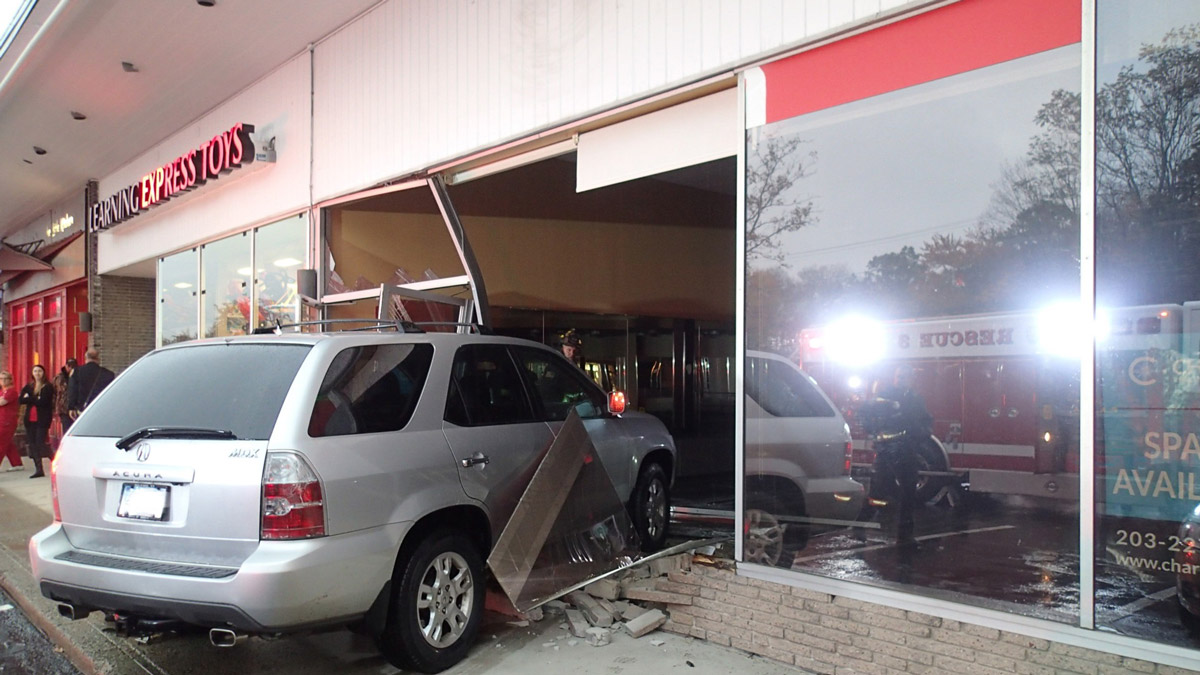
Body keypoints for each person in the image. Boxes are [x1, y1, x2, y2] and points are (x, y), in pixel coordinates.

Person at [860, 365, 932, 547]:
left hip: (907, 448)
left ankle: (905, 536)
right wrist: (874, 432)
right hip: (887, 449)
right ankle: (858, 525)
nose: (902, 379)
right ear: (894, 378)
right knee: (879, 490)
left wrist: (923, 432)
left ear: (911, 378)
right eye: (899, 376)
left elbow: (925, 420)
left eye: (906, 376)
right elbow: (865, 413)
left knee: (908, 492)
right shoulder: (885, 395)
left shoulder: (915, 399)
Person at [19, 364, 54, 478]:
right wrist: (34, 398)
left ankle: (55, 460)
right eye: (35, 371)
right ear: (32, 373)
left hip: (42, 419)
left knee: (40, 443)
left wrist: (30, 398)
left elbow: (43, 402)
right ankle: (39, 469)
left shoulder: (47, 387)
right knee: (33, 444)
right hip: (30, 419)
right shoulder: (29, 386)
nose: (37, 373)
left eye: (40, 371)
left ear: (43, 373)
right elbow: (21, 400)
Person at [67, 349, 115, 420]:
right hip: (101, 410)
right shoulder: (108, 374)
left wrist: (71, 407)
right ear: (98, 358)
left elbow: (72, 390)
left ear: (86, 358)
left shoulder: (76, 372)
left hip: (82, 410)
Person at [0, 372, 23, 472]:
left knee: (1, 443)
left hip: (7, 421)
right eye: (1, 379)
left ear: (10, 380)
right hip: (2, 420)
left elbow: (2, 402)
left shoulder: (11, 392)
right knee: (8, 443)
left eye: (6, 379)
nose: (3, 381)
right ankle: (17, 463)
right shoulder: (3, 392)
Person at [54, 359, 74, 434]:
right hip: (63, 408)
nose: (70, 369)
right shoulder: (59, 378)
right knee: (66, 429)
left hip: (75, 408)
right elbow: (54, 392)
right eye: (69, 366)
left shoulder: (77, 376)